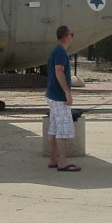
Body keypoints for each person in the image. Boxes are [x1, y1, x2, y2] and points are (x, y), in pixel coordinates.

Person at [45, 25, 80, 172]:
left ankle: (53, 159)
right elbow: (59, 71)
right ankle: (63, 162)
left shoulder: (56, 51)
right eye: (72, 34)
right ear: (66, 36)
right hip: (59, 97)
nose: (72, 37)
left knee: (53, 129)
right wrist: (67, 92)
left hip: (52, 95)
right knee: (62, 130)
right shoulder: (61, 52)